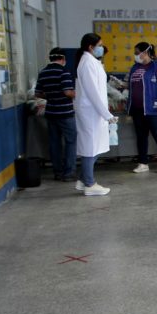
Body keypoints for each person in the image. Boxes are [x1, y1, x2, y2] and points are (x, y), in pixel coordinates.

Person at [74, 33, 116, 196]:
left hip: (94, 112)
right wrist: (106, 114)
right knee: (90, 148)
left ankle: (82, 180)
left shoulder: (92, 62)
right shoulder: (87, 63)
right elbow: (93, 93)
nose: (102, 48)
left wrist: (105, 113)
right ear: (90, 47)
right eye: (99, 45)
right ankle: (90, 184)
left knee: (96, 146)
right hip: (90, 112)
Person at [127, 42, 157, 174]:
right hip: (137, 109)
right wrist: (121, 84)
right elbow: (132, 85)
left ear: (145, 53)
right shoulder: (135, 67)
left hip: (153, 108)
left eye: (137, 52)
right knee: (141, 136)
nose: (135, 55)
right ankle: (143, 163)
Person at [35, 47, 77, 182]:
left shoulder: (43, 72)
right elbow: (67, 92)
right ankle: (69, 173)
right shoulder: (64, 72)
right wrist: (77, 94)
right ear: (63, 58)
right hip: (65, 113)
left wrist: (51, 95)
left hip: (51, 113)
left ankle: (58, 172)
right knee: (71, 141)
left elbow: (38, 93)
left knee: (55, 143)